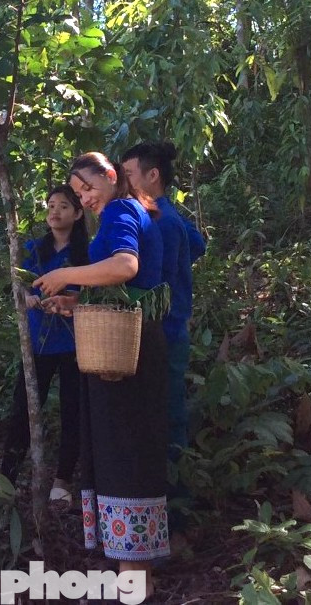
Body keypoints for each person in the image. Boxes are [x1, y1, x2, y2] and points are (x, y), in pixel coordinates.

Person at [33, 152, 169, 597]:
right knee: (119, 448)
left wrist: (66, 275)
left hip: (126, 351)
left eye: (88, 188)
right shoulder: (132, 210)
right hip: (127, 341)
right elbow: (130, 284)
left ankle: (134, 578)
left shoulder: (122, 209)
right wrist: (75, 302)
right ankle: (132, 573)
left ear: (111, 178)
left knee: (124, 449)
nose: (85, 198)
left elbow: (126, 267)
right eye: (78, 193)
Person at [1, 185, 89, 503]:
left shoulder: (85, 255)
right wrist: (28, 297)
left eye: (63, 206)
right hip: (37, 344)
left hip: (74, 345)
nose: (54, 212)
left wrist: (68, 301)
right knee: (22, 409)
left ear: (78, 213)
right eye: (51, 205)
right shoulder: (32, 250)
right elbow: (20, 288)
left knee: (72, 412)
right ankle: (5, 480)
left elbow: (88, 296)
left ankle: (62, 482)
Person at [121, 141, 206, 463]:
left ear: (152, 175)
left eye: (129, 174)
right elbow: (198, 245)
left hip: (164, 331)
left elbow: (152, 283)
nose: (123, 182)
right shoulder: (167, 214)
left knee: (166, 417)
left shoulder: (161, 222)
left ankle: (174, 498)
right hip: (172, 328)